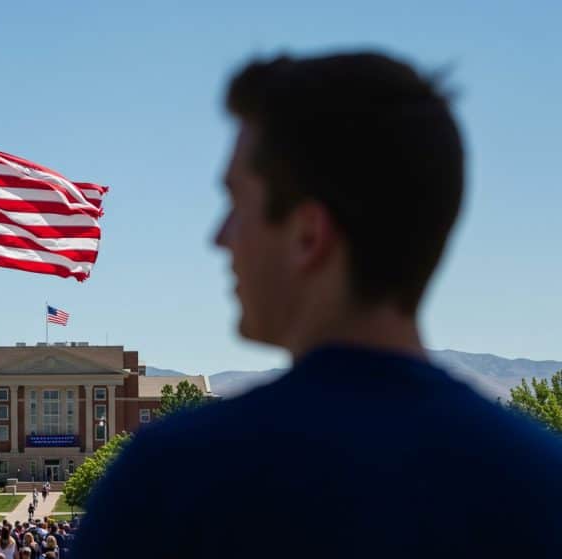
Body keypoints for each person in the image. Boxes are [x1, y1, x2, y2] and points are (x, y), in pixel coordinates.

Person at [73, 51, 562, 557]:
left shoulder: (172, 479)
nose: (219, 238)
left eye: (237, 204)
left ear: (308, 235)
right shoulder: (543, 481)